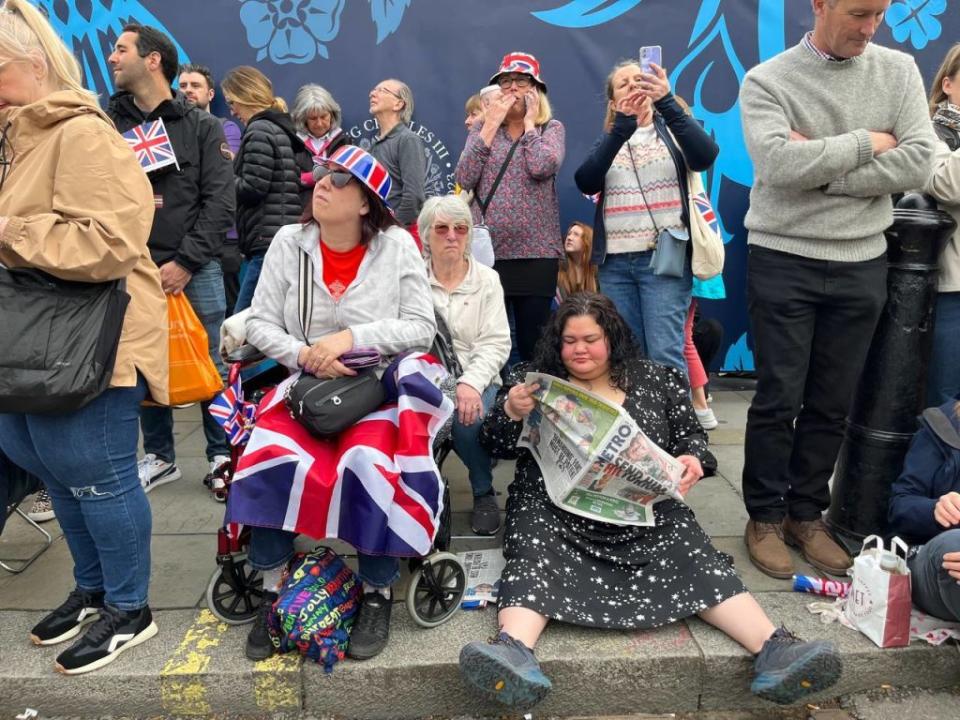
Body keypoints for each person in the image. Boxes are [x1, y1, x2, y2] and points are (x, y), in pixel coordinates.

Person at [457, 293, 841, 708]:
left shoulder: (658, 379)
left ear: (613, 338)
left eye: (590, 338)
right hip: (554, 507)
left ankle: (775, 648)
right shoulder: (535, 381)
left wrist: (692, 459)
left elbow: (693, 438)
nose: (579, 349)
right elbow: (494, 443)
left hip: (641, 510)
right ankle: (513, 650)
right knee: (531, 546)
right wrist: (512, 411)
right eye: (569, 341)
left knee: (692, 548)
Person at [738, 0, 937, 579]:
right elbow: (776, 165)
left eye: (879, 14)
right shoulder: (768, 80)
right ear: (819, 5)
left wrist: (822, 164)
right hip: (783, 255)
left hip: (861, 260)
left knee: (832, 399)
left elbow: (921, 162)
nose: (869, 27)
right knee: (779, 395)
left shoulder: (897, 70)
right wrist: (868, 141)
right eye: (858, 13)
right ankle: (765, 517)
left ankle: (806, 513)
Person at [0, 0, 167, 674]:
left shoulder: (80, 133)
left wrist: (8, 232)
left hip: (86, 343)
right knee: (56, 472)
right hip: (34, 341)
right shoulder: (20, 138)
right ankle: (95, 590)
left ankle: (131, 608)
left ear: (33, 64)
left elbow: (113, 242)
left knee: (96, 476)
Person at [237, 145, 437, 663]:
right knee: (267, 453)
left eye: (337, 180)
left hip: (372, 387)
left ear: (366, 202)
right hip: (305, 384)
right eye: (319, 177)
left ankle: (376, 591)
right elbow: (258, 322)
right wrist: (305, 353)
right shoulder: (290, 240)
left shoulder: (396, 246)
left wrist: (349, 337)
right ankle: (272, 586)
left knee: (367, 462)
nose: (320, 185)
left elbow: (421, 327)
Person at [107, 25, 235, 494]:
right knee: (138, 364)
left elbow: (220, 201)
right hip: (129, 271)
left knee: (212, 363)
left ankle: (223, 453)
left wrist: (184, 261)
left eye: (121, 49)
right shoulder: (106, 123)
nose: (112, 57)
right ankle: (160, 458)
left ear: (153, 60)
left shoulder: (202, 125)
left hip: (193, 269)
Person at [574, 60, 718, 373]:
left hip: (663, 259)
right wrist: (621, 129)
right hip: (614, 264)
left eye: (640, 80)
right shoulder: (609, 140)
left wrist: (666, 101)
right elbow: (586, 180)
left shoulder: (671, 131)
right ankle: (635, 423)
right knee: (627, 354)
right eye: (624, 84)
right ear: (613, 102)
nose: (634, 86)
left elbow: (705, 155)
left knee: (664, 354)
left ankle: (671, 423)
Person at [455, 52, 565, 363]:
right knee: (491, 342)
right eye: (505, 82)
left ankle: (531, 407)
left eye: (521, 81)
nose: (512, 88)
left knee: (533, 343)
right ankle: (495, 407)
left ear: (536, 90)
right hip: (489, 255)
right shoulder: (482, 130)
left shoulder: (550, 129)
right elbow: (464, 177)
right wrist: (489, 125)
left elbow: (542, 165)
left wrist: (529, 124)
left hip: (536, 254)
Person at [419, 195, 511, 535]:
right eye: (442, 228)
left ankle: (483, 490)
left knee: (466, 419)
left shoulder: (487, 280)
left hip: (478, 375)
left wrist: (470, 383)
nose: (452, 236)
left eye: (461, 228)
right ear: (426, 234)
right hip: (425, 379)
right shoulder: (411, 281)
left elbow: (497, 342)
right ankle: (417, 500)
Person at [222, 66, 305, 313]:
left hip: (265, 242)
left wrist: (224, 174)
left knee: (243, 327)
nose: (232, 111)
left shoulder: (259, 129)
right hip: (273, 239)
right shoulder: (275, 128)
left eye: (232, 103)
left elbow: (254, 187)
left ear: (245, 96)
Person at [178, 62, 244, 315]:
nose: (188, 90)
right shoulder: (170, 131)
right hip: (181, 242)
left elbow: (227, 175)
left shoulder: (226, 128)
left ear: (210, 94)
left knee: (227, 319)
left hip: (223, 240)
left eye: (195, 85)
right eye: (183, 85)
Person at [888, 398, 960, 623]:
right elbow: (900, 506)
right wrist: (935, 509)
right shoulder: (945, 424)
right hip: (932, 561)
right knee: (955, 544)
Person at [925, 44, 960, 406]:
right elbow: (946, 184)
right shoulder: (930, 131)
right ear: (947, 84)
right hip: (952, 290)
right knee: (944, 403)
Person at [368, 78, 426, 243]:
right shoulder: (373, 146)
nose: (373, 93)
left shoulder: (408, 140)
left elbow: (414, 196)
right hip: (376, 232)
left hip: (399, 237)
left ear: (398, 104)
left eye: (382, 90)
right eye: (374, 89)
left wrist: (391, 230)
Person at [291, 83, 348, 191]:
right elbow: (287, 180)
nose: (319, 123)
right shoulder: (293, 143)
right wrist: (314, 176)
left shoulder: (344, 142)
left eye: (323, 116)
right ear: (303, 119)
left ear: (332, 115)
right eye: (313, 118)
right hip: (303, 205)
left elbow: (351, 179)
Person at [555, 221, 598, 302]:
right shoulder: (557, 269)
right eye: (569, 234)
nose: (569, 238)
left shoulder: (596, 273)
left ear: (587, 242)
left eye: (576, 235)